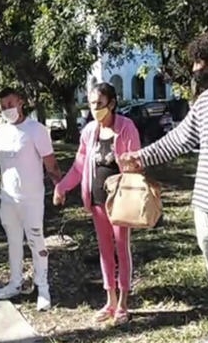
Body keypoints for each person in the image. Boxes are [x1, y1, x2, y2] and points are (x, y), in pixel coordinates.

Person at [120, 29, 208, 343]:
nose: (198, 73)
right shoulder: (205, 102)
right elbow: (178, 140)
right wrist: (140, 158)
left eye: (203, 66)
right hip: (207, 208)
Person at [54, 83, 140, 324]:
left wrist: (130, 166)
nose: (94, 109)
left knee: (122, 249)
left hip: (120, 203)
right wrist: (62, 187)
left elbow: (136, 163)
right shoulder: (89, 131)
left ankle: (123, 302)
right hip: (97, 202)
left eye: (99, 104)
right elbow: (79, 165)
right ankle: (110, 300)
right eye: (91, 104)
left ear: (112, 104)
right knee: (105, 252)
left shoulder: (126, 128)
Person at [0, 88, 61, 311]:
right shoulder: (1, 132)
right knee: (14, 242)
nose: (7, 109)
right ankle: (15, 283)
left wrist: (59, 187)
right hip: (8, 199)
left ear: (21, 102)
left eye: (10, 103)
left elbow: (50, 163)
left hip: (32, 199)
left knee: (36, 241)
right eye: (3, 106)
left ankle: (42, 288)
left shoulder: (36, 129)